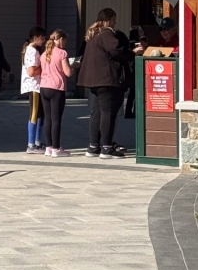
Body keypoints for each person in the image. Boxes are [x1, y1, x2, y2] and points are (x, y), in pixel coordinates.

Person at [78, 8, 133, 158]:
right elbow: (116, 51)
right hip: (106, 79)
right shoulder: (106, 33)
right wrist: (133, 53)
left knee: (96, 112)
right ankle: (107, 147)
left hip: (92, 80)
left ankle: (93, 146)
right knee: (108, 112)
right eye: (114, 20)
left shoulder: (92, 34)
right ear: (108, 19)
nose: (115, 23)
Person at [39, 29, 72, 157]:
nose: (65, 43)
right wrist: (74, 66)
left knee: (47, 118)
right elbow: (67, 72)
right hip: (57, 87)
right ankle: (57, 148)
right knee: (56, 118)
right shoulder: (62, 53)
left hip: (44, 86)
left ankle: (49, 147)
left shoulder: (44, 53)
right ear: (60, 39)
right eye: (65, 40)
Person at [21, 26, 47, 153]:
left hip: (37, 86)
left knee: (39, 114)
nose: (43, 40)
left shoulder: (31, 50)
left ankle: (37, 141)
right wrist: (44, 68)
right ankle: (31, 144)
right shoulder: (32, 51)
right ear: (35, 37)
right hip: (34, 86)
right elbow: (31, 71)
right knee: (34, 113)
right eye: (41, 37)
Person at [124, 26, 148, 118]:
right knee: (135, 91)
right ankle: (134, 111)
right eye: (141, 31)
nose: (143, 32)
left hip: (131, 69)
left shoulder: (129, 42)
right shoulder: (135, 43)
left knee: (132, 92)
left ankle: (129, 111)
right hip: (134, 69)